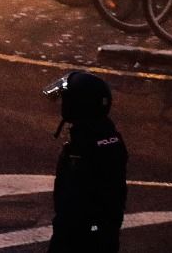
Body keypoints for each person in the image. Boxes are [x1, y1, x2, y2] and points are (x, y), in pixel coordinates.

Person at [42, 70, 127, 252]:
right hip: (97, 233)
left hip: (81, 237)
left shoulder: (86, 147)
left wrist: (64, 230)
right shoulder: (103, 136)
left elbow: (74, 200)